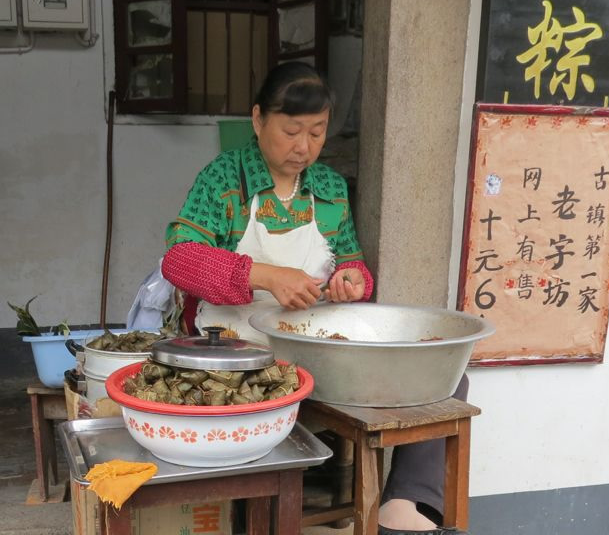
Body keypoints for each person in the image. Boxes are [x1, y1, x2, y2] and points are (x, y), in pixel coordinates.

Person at [161, 62, 469, 535]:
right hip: (237, 350)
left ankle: (403, 509)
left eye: (317, 132)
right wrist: (265, 276)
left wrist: (352, 280)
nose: (303, 147)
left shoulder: (327, 187)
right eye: (290, 131)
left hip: (316, 342)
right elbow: (179, 261)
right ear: (259, 119)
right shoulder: (224, 178)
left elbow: (353, 262)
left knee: (442, 378)